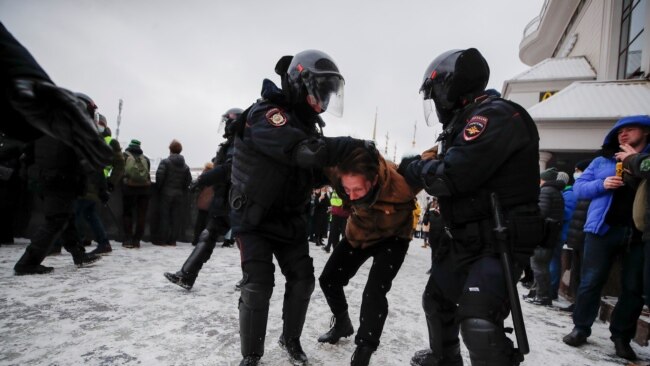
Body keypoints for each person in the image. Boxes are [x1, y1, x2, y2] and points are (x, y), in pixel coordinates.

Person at [401, 48, 542, 366]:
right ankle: (444, 358)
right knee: (437, 300)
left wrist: (413, 168)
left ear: (448, 88)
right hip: (466, 239)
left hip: (497, 241)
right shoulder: (462, 124)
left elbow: (450, 177)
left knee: (478, 322)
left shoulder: (494, 116)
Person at [228, 50, 364, 366]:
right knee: (259, 284)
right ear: (299, 85)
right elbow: (298, 150)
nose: (321, 103)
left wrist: (349, 182)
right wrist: (349, 146)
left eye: (326, 97)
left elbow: (316, 169)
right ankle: (251, 354)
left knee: (303, 279)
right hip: (254, 216)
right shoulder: (265, 114)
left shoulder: (308, 126)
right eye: (318, 94)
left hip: (289, 218)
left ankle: (290, 340)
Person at [317, 147, 417, 365]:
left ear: (373, 181)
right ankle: (342, 324)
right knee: (329, 279)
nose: (350, 196)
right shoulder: (340, 176)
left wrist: (423, 162)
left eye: (358, 190)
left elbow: (436, 154)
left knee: (374, 291)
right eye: (347, 190)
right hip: (360, 233)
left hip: (394, 237)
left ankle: (364, 350)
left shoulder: (402, 184)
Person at [562, 115, 650, 361]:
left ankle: (621, 337)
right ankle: (580, 328)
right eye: (619, 131)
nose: (622, 134)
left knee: (633, 288)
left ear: (645, 131)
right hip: (602, 229)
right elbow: (579, 188)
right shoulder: (602, 160)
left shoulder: (646, 161)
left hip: (638, 234)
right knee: (590, 281)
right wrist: (602, 184)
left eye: (629, 129)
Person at [13, 93, 104, 274]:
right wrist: (100, 188)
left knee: (65, 217)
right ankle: (27, 263)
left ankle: (79, 255)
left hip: (46, 180)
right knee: (55, 221)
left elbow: (27, 153)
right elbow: (89, 164)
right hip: (61, 181)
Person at [164, 107, 241, 290]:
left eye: (227, 121)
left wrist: (202, 179)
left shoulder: (240, 144)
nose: (225, 126)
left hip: (237, 200)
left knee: (246, 241)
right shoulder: (230, 144)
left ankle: (252, 279)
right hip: (224, 198)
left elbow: (227, 170)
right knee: (208, 236)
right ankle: (186, 275)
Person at [525, 167, 564, 306]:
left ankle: (542, 295)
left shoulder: (546, 191)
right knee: (542, 266)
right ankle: (537, 293)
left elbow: (541, 213)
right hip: (550, 234)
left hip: (543, 235)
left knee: (538, 266)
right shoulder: (555, 191)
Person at [154, 139, 192, 246]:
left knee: (164, 217)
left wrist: (160, 188)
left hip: (166, 193)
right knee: (175, 218)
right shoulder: (185, 166)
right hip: (179, 195)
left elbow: (159, 177)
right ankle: (172, 240)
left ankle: (162, 239)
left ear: (170, 149)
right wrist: (181, 189)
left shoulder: (165, 162)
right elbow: (188, 181)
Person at [549, 170, 575, 300]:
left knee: (553, 261)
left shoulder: (569, 194)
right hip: (559, 231)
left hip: (561, 233)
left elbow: (567, 214)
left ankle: (551, 290)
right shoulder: (564, 193)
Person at [121, 139, 151, 248]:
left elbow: (120, 172)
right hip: (144, 191)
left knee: (128, 213)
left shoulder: (124, 156)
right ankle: (137, 240)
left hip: (129, 189)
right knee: (141, 215)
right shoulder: (146, 159)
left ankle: (128, 239)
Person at [191, 162, 214, 246]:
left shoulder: (204, 175)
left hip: (203, 201)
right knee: (207, 223)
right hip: (211, 202)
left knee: (199, 223)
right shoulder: (215, 175)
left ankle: (196, 240)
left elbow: (196, 185)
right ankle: (205, 241)